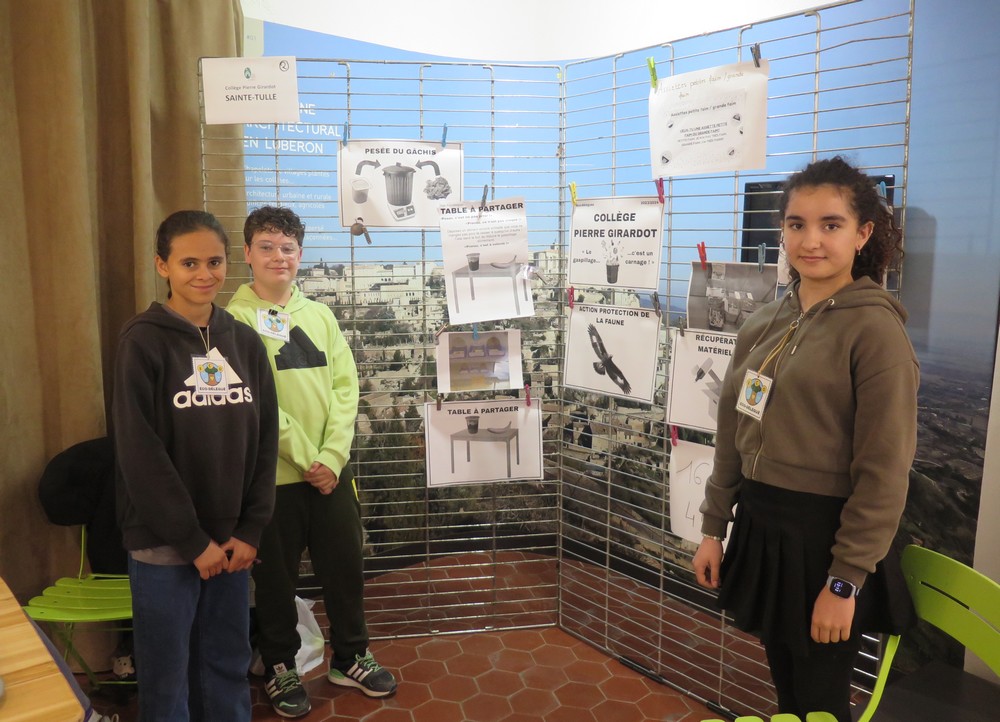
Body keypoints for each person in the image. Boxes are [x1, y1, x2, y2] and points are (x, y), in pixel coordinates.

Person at [691, 157, 918, 722]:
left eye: (831, 224)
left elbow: (884, 471)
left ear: (864, 233)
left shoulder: (876, 331)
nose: (810, 240)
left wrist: (844, 581)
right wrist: (714, 529)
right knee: (787, 690)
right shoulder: (763, 324)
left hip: (827, 539)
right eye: (796, 224)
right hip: (764, 524)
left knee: (821, 700)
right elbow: (733, 433)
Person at [227, 206, 397, 718]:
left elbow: (346, 389)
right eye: (267, 247)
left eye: (288, 248)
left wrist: (331, 457)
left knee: (345, 567)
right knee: (276, 578)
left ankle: (351, 655)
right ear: (247, 254)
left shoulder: (320, 315)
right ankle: (280, 664)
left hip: (332, 474)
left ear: (300, 255)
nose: (278, 257)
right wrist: (306, 459)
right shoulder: (230, 322)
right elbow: (255, 402)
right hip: (273, 478)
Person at [113, 210, 278, 722]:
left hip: (231, 544)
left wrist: (250, 529)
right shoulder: (142, 341)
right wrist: (191, 540)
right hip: (166, 544)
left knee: (226, 664)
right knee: (167, 677)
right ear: (163, 266)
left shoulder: (245, 341)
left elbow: (265, 439)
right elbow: (140, 453)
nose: (204, 274)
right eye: (189, 263)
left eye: (213, 261)